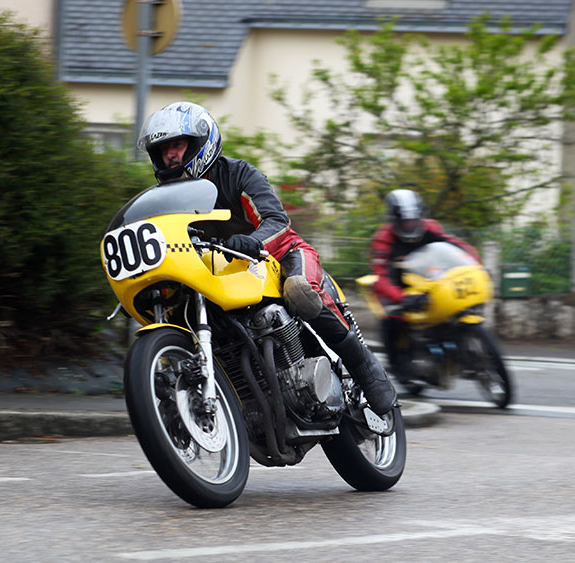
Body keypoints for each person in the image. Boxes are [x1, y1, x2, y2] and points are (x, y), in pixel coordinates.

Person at [137, 101, 397, 416]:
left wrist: (253, 240)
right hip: (219, 274)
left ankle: (365, 367)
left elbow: (276, 220)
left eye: (177, 145)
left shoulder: (238, 173)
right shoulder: (164, 199)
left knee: (299, 291)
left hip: (279, 254)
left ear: (200, 143)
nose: (170, 155)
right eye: (163, 150)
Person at [370, 189, 481, 381]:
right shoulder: (383, 239)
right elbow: (380, 276)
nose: (410, 225)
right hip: (399, 287)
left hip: (429, 281)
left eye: (413, 220)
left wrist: (475, 263)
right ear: (394, 220)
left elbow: (456, 246)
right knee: (391, 318)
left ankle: (459, 350)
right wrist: (401, 298)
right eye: (405, 221)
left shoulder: (431, 227)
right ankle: (398, 366)